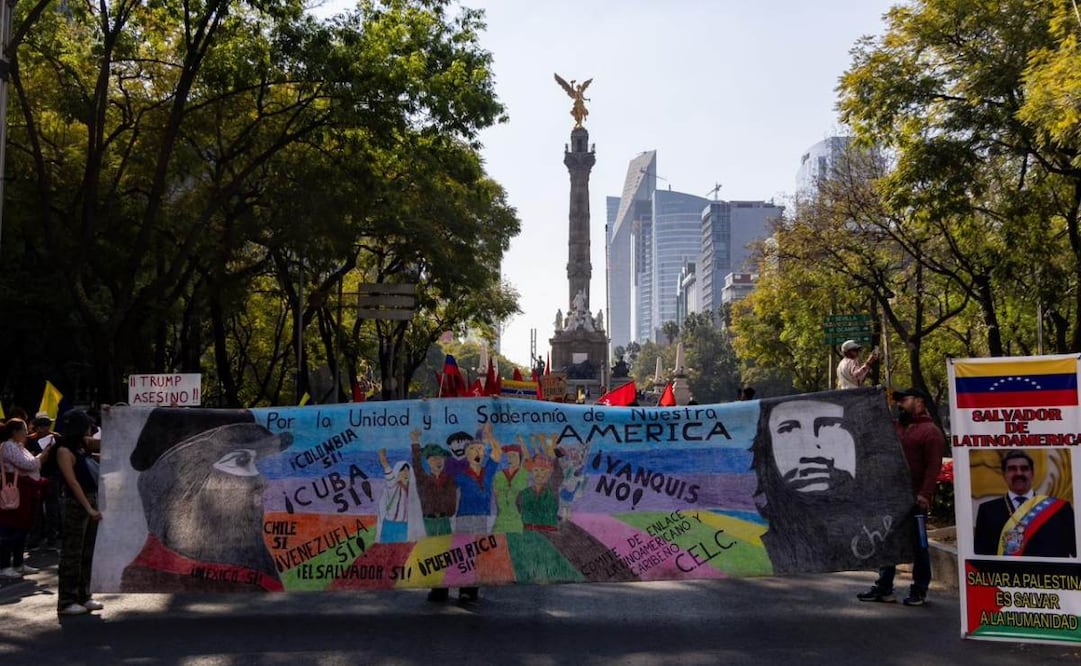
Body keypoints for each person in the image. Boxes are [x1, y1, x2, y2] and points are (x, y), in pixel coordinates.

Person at [120, 408, 290, 594]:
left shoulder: (256, 571)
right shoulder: (154, 577)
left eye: (254, 463)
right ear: (183, 481)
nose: (261, 482)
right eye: (241, 461)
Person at [751, 390, 914, 575]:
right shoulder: (759, 547)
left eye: (829, 425)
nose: (812, 450)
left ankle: (898, 587)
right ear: (766, 451)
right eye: (788, 429)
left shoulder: (879, 526)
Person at [858, 387, 945, 607]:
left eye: (904, 400)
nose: (899, 405)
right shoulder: (896, 428)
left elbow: (933, 467)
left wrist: (925, 494)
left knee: (919, 546)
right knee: (887, 541)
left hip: (915, 500)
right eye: (898, 401)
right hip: (890, 498)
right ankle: (884, 587)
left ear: (919, 402)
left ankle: (919, 590)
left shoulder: (930, 432)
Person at [973, 450, 1076, 558]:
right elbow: (981, 556)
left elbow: (1075, 552)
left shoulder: (1060, 509)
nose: (1019, 473)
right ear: (1004, 474)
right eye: (1012, 469)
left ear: (1032, 474)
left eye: (1024, 468)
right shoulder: (987, 511)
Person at [55, 410, 103, 616]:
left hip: (90, 500)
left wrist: (114, 416)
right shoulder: (64, 451)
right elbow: (73, 483)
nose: (89, 429)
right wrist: (88, 508)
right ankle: (67, 600)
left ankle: (84, 595)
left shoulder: (82, 446)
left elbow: (104, 443)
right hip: (77, 503)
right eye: (86, 425)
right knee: (72, 553)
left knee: (88, 552)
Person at [410, 432, 458, 602]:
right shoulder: (424, 479)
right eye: (433, 459)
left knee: (445, 551)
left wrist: (450, 510)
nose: (437, 462)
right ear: (428, 462)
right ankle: (437, 587)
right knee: (432, 553)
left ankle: (444, 585)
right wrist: (415, 442)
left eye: (440, 459)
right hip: (429, 520)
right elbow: (416, 465)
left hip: (444, 519)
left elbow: (453, 496)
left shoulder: (449, 479)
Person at [0, 418, 48, 578]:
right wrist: (42, 456)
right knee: (11, 527)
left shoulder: (20, 446)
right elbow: (29, 465)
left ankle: (19, 562)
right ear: (14, 432)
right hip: (16, 489)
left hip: (26, 490)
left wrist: (37, 459)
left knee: (23, 526)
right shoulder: (8, 446)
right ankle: (5, 565)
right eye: (23, 430)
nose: (26, 434)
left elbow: (32, 463)